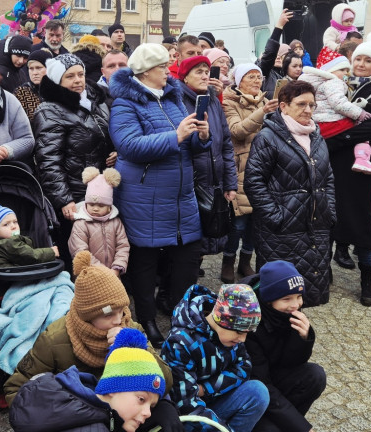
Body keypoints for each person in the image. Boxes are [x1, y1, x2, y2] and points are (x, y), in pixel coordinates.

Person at [109, 43, 209, 346]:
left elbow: (188, 144)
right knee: (145, 261)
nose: (169, 71)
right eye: (163, 67)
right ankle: (148, 318)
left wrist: (200, 137)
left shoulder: (173, 97)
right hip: (144, 197)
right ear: (146, 72)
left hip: (180, 196)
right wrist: (176, 135)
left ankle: (181, 315)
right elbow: (130, 146)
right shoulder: (125, 103)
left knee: (188, 255)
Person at [3, 252, 177, 417]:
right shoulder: (54, 339)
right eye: (108, 314)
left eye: (121, 310)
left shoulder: (132, 329)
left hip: (124, 415)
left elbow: (166, 382)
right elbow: (16, 389)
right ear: (88, 316)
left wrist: (136, 349)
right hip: (77, 418)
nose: (118, 320)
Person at [244, 81, 336, 307]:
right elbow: (254, 182)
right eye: (301, 104)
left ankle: (298, 335)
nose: (308, 110)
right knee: (279, 295)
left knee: (308, 290)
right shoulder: (268, 137)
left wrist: (329, 210)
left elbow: (329, 178)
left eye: (312, 105)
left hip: (316, 225)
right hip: (282, 229)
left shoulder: (316, 136)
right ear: (283, 106)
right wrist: (276, 216)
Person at [324, 41, 371, 305]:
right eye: (358, 59)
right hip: (333, 158)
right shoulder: (338, 84)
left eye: (368, 60)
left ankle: (367, 278)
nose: (361, 64)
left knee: (362, 218)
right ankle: (324, 270)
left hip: (360, 162)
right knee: (328, 213)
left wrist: (339, 139)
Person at [9, 328, 168, 432]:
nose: (148, 413)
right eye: (141, 399)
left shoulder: (85, 402)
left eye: (151, 406)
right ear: (113, 389)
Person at [33, 53, 114, 256]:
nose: (78, 80)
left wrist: (115, 153)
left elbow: (108, 137)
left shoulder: (98, 102)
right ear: (57, 80)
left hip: (101, 189)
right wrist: (64, 200)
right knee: (79, 256)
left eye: (81, 74)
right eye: (69, 76)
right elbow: (48, 160)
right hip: (75, 195)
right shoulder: (49, 110)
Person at [161, 284, 267, 432]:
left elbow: (244, 367)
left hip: (211, 399)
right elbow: (185, 405)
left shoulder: (232, 336)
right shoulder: (181, 342)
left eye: (247, 333)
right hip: (188, 414)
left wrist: (205, 388)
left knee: (258, 392)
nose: (243, 339)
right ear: (220, 319)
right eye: (239, 332)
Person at [244, 261, 326, 432]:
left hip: (274, 378)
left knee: (315, 375)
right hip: (252, 390)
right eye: (287, 299)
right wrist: (303, 428)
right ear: (268, 301)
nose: (295, 304)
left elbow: (293, 363)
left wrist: (303, 338)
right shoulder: (249, 323)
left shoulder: (285, 312)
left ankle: (288, 422)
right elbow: (260, 382)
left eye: (299, 296)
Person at [222, 64, 279, 282]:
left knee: (257, 223)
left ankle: (246, 262)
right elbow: (237, 131)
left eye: (259, 77)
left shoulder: (267, 102)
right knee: (237, 224)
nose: (257, 81)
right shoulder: (229, 102)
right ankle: (228, 261)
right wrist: (262, 112)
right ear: (238, 81)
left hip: (265, 168)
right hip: (240, 169)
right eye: (251, 77)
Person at [178, 55, 238, 256]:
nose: (205, 77)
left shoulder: (212, 102)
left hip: (214, 181)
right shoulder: (178, 101)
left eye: (207, 72)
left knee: (208, 233)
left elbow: (226, 145)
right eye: (199, 72)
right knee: (189, 243)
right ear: (185, 77)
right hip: (189, 184)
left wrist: (229, 183)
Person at [300, 48, 371, 174]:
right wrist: (359, 113)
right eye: (342, 70)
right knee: (361, 127)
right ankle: (361, 159)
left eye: (348, 70)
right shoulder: (333, 82)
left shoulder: (316, 82)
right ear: (330, 71)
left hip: (318, 124)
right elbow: (339, 103)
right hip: (332, 122)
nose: (346, 73)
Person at [69, 167, 129, 274]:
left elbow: (123, 246)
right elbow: (80, 251)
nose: (95, 208)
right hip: (88, 276)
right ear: (86, 203)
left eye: (101, 205)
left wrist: (117, 268)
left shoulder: (116, 223)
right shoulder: (81, 224)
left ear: (109, 207)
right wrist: (102, 271)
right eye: (91, 204)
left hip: (113, 275)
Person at [0, 202, 59, 268]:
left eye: (15, 222)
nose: (13, 226)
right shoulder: (9, 243)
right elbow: (30, 256)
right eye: (6, 224)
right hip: (12, 279)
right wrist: (51, 252)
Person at [14, 50, 51, 120]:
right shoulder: (21, 93)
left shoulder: (59, 91)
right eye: (31, 69)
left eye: (38, 68)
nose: (35, 73)